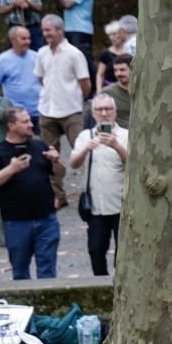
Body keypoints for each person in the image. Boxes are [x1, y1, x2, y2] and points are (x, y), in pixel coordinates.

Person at [0, 108, 63, 279]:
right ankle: (24, 305)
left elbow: (60, 174)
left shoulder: (40, 146)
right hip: (16, 222)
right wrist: (12, 168)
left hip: (47, 219)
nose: (31, 124)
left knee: (47, 269)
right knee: (20, 271)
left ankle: (47, 304)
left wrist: (56, 161)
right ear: (11, 126)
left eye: (30, 121)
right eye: (25, 122)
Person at [69, 93, 130, 275]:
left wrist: (116, 146)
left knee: (124, 252)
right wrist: (86, 149)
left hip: (121, 205)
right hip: (96, 207)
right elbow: (73, 163)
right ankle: (100, 284)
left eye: (108, 109)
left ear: (115, 111)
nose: (104, 113)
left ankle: (121, 288)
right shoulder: (85, 136)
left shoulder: (126, 135)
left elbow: (134, 166)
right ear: (93, 113)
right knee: (96, 250)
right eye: (99, 109)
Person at [34, 15, 91, 206]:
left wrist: (74, 98)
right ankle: (58, 196)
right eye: (43, 30)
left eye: (49, 30)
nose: (45, 34)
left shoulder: (74, 53)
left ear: (60, 30)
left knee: (84, 152)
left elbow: (85, 83)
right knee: (49, 156)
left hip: (71, 111)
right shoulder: (41, 52)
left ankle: (90, 192)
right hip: (47, 110)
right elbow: (41, 78)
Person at [0, 27, 41, 127]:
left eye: (29, 38)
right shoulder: (2, 60)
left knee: (42, 142)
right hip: (16, 114)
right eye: (23, 39)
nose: (27, 42)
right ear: (13, 39)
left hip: (39, 110)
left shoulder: (37, 57)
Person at [52, 0, 94, 66]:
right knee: (73, 59)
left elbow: (67, 4)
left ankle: (93, 82)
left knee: (82, 59)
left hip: (80, 29)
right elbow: (61, 6)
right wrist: (58, 0)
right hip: (72, 28)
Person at [98, 55, 132, 127]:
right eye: (115, 70)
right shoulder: (107, 93)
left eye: (122, 70)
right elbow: (102, 119)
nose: (118, 74)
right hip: (118, 136)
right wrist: (106, 136)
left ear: (132, 69)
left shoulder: (143, 91)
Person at [95, 21, 129, 91]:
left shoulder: (129, 51)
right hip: (110, 89)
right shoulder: (105, 53)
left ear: (121, 34)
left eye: (114, 34)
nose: (111, 37)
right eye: (109, 35)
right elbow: (100, 75)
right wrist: (99, 91)